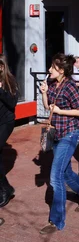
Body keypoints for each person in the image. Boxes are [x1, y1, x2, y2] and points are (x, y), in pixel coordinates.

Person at [40, 53, 79, 235]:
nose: (49, 70)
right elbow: (49, 107)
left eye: (52, 68)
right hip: (56, 133)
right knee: (66, 172)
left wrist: (61, 111)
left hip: (70, 134)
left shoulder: (70, 86)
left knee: (55, 178)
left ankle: (57, 221)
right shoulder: (53, 84)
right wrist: (44, 94)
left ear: (61, 70)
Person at [0, 54, 18, 209]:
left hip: (6, 122)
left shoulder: (9, 81)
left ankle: (6, 189)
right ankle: (5, 188)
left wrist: (0, 89)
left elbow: (12, 103)